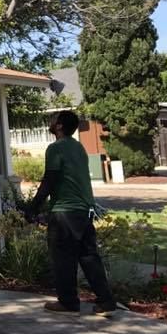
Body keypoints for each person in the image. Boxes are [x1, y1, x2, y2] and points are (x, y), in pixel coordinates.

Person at [23, 110, 118, 317]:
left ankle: (68, 302)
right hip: (84, 210)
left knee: (63, 258)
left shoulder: (56, 148)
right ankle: (106, 301)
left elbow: (50, 180)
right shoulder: (79, 148)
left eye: (53, 119)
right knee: (89, 256)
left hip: (64, 212)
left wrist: (33, 207)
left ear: (59, 126)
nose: (50, 122)